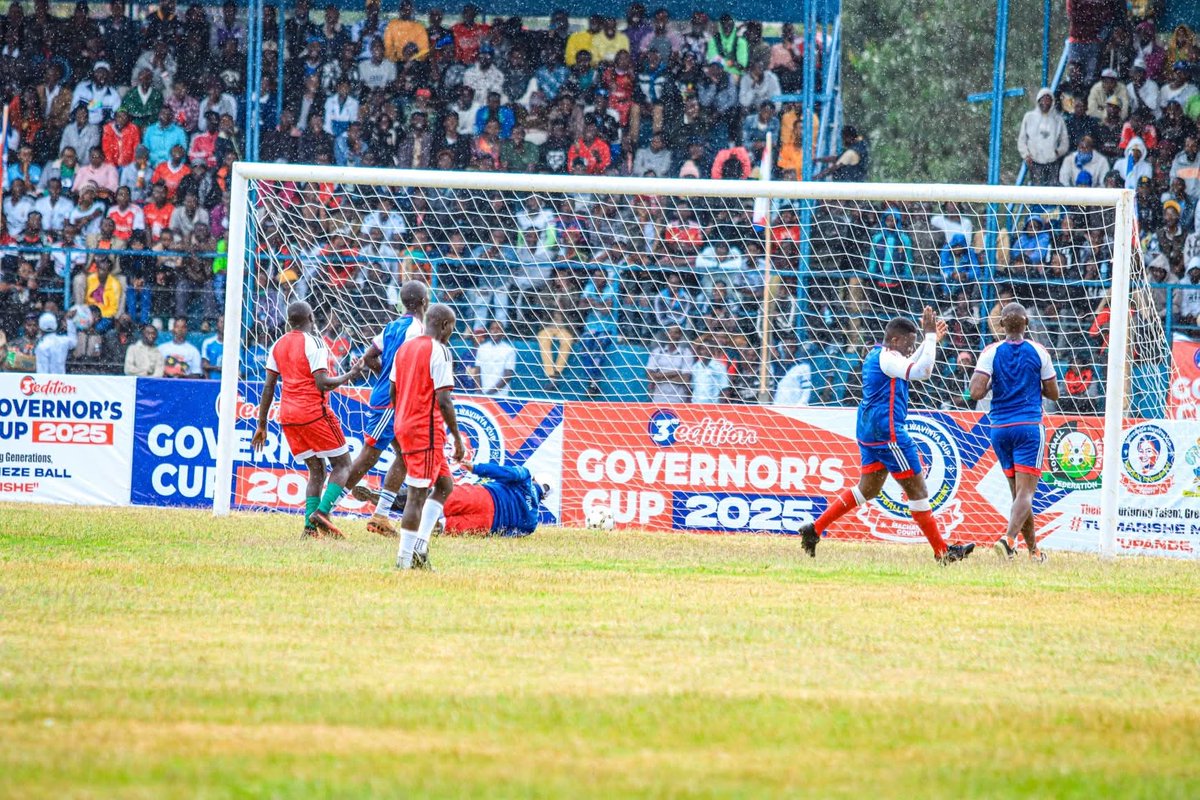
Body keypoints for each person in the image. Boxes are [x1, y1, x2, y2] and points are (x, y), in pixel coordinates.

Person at [799, 308, 975, 564]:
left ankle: (814, 530)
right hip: (888, 433)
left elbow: (909, 364)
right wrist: (927, 337)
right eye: (908, 343)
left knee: (868, 488)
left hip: (870, 430)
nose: (909, 349)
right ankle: (942, 553)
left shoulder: (879, 355)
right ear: (895, 340)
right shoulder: (890, 358)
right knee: (918, 490)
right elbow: (922, 372)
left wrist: (930, 341)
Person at [252, 301, 364, 538]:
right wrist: (351, 374)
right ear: (311, 317)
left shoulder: (278, 345)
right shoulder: (314, 343)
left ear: (290, 321)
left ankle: (309, 529)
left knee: (316, 470)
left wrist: (262, 424)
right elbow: (322, 383)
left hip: (288, 417)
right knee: (343, 464)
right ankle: (322, 512)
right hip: (313, 412)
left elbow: (269, 386)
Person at [376, 303, 465, 570]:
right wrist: (458, 437)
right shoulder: (440, 350)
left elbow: (393, 390)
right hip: (425, 430)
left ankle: (420, 548)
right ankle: (404, 562)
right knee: (417, 494)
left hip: (404, 424)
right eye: (452, 328)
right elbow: (444, 399)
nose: (451, 333)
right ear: (445, 325)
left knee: (445, 485)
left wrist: (404, 413)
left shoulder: (405, 348)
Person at [968, 303, 1059, 562]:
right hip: (1028, 427)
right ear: (1027, 324)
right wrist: (1030, 385)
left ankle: (1033, 551)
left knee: (1018, 493)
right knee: (1026, 493)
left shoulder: (990, 352)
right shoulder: (1038, 351)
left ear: (1001, 325)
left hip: (999, 429)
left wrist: (997, 384)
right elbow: (1054, 393)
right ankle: (1008, 541)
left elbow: (975, 392)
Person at [343, 280, 429, 534]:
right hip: (391, 402)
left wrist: (385, 375)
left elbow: (369, 356)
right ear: (424, 302)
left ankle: (380, 515)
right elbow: (409, 365)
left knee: (405, 457)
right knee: (368, 457)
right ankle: (325, 508)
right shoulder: (416, 329)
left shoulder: (392, 326)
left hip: (393, 398)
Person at [392, 458, 551, 537]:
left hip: (485, 497)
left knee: (433, 499)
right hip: (488, 523)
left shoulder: (525, 477)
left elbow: (502, 472)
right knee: (444, 527)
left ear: (536, 480)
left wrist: (476, 468)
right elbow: (508, 534)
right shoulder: (532, 523)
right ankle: (434, 527)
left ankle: (389, 500)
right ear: (543, 498)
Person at [1018, 88, 1069, 186]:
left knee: (1052, 191)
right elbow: (1022, 139)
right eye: (1043, 99)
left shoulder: (1058, 120)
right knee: (1036, 192)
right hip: (1035, 161)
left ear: (1052, 102)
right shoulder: (1029, 117)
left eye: (1048, 99)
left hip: (1052, 162)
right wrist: (1026, 155)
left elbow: (1064, 141)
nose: (1045, 102)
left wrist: (1058, 152)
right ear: (1038, 100)